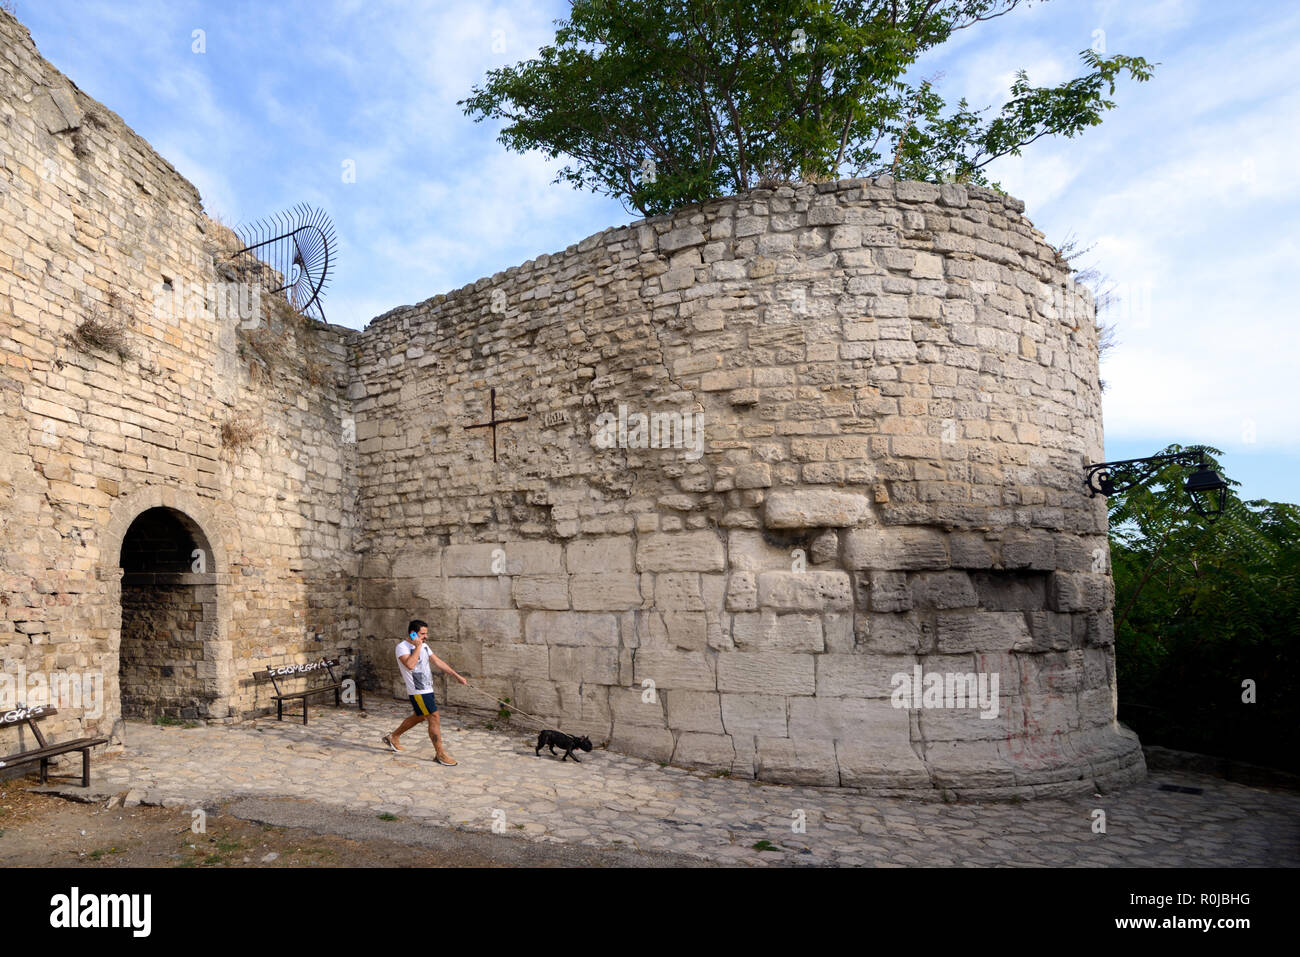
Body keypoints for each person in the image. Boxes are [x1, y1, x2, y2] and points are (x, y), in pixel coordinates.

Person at [382, 619, 467, 766]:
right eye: (422, 634)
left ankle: (393, 737)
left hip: (428, 688)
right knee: (434, 716)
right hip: (418, 690)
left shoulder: (425, 646)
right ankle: (440, 754)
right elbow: (410, 665)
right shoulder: (402, 647)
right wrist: (417, 647)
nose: (425, 637)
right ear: (413, 633)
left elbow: (438, 662)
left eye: (426, 633)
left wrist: (456, 675)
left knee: (420, 716)